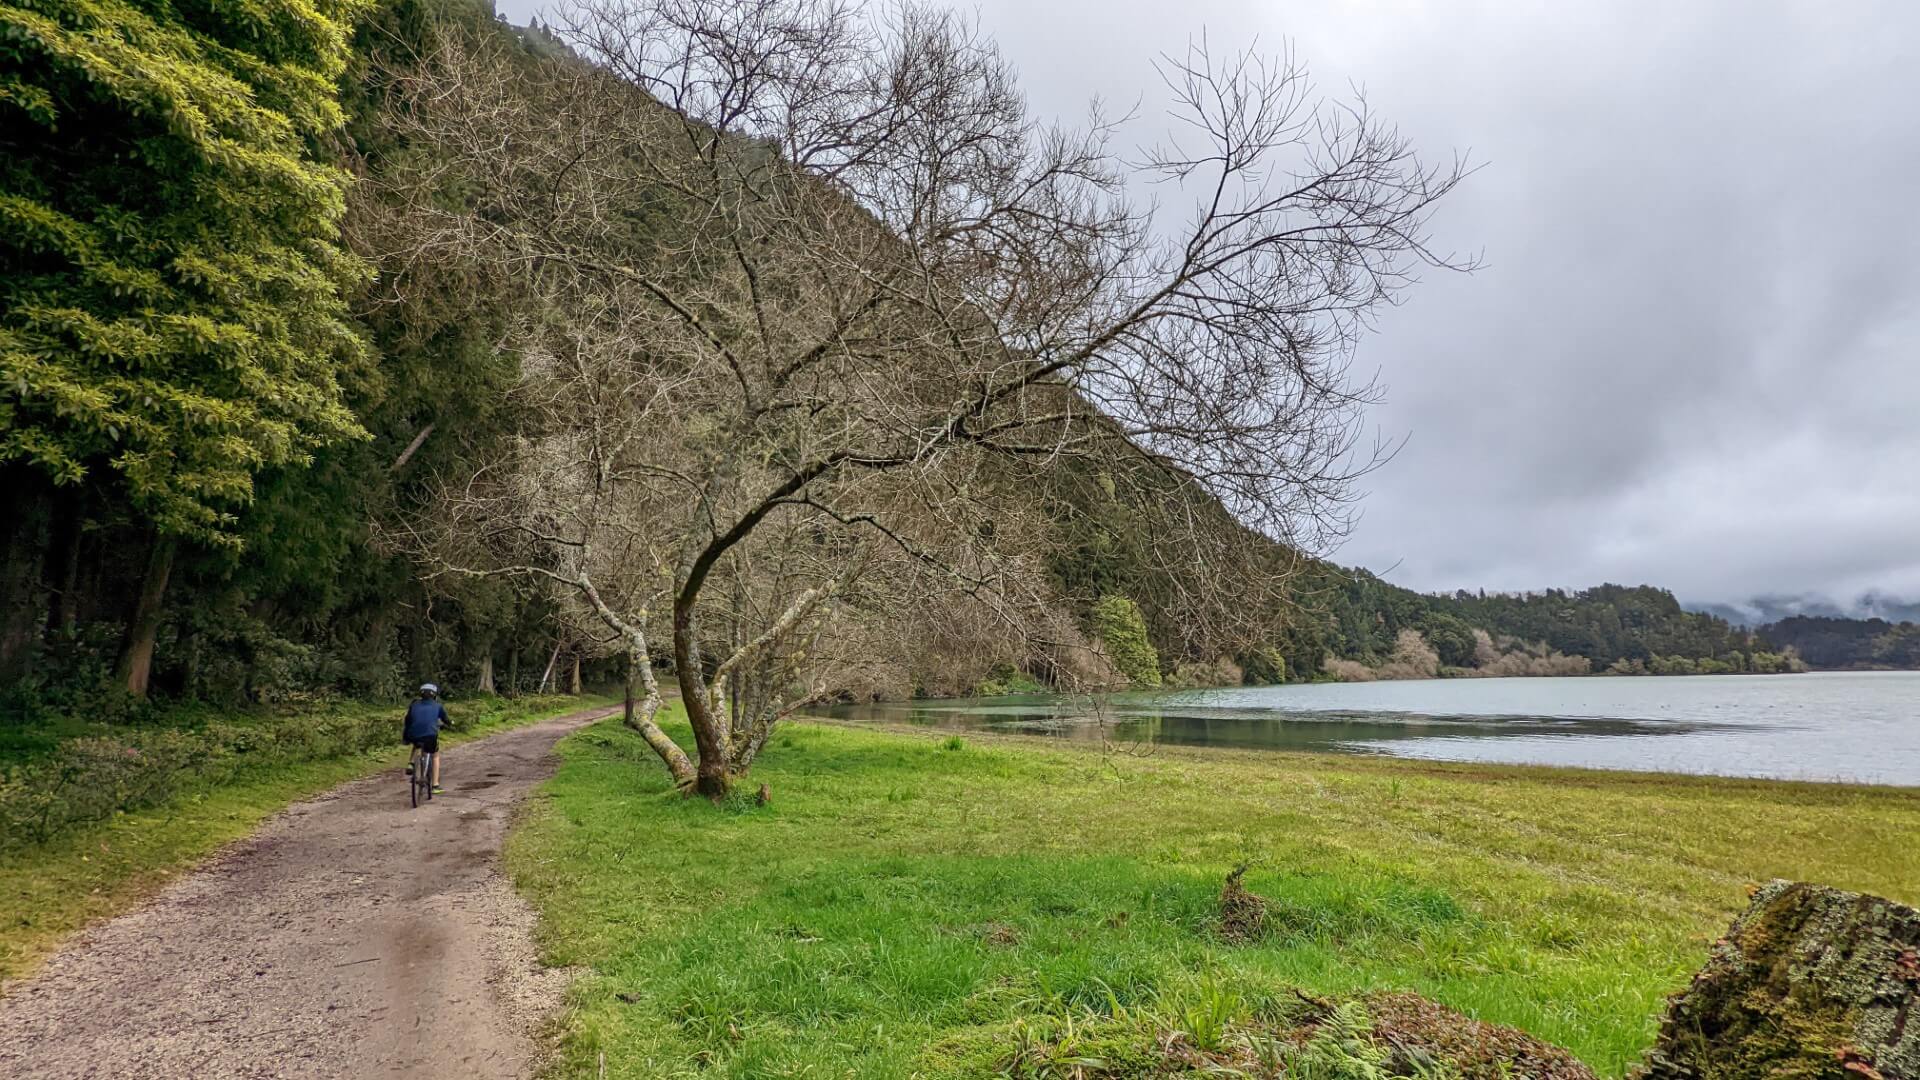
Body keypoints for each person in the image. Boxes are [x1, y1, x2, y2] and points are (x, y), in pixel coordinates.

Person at [403, 683, 448, 794]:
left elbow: (408, 719)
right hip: (430, 736)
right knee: (435, 755)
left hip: (413, 734)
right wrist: (450, 723)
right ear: (434, 695)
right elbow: (445, 719)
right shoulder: (437, 706)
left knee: (416, 744)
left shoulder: (414, 705)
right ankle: (435, 785)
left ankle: (411, 763)